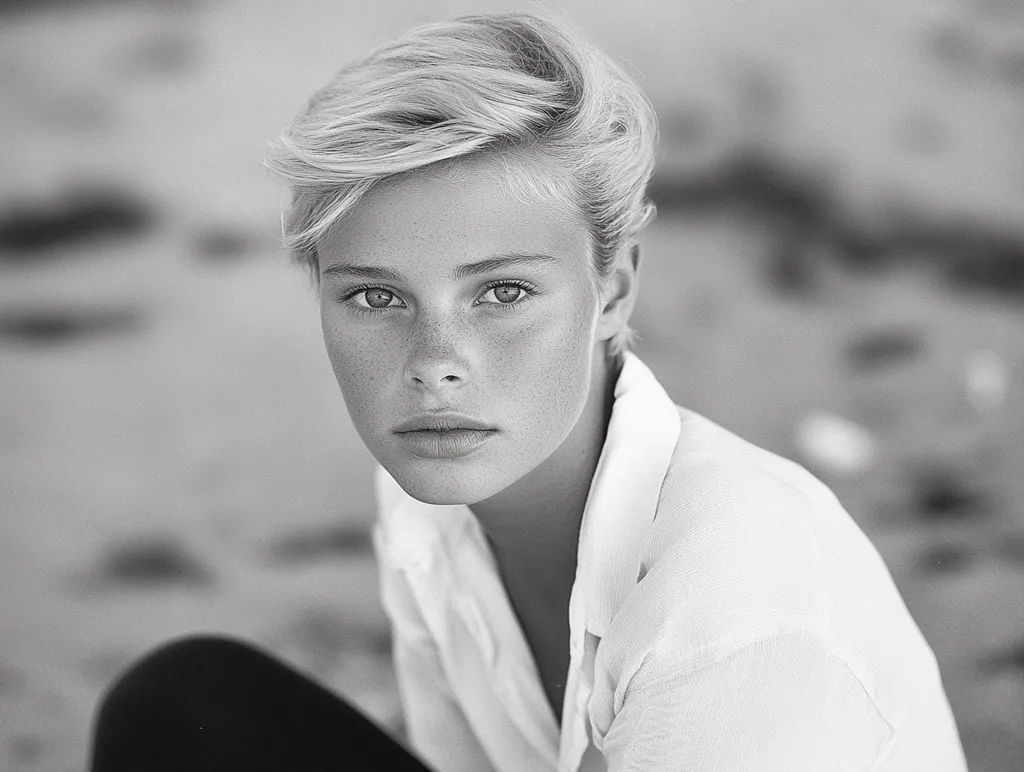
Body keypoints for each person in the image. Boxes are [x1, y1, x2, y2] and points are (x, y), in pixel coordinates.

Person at [89, 11, 969, 772]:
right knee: (185, 709)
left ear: (614, 289)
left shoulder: (736, 610)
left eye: (502, 293)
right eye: (376, 297)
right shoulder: (429, 503)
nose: (436, 361)